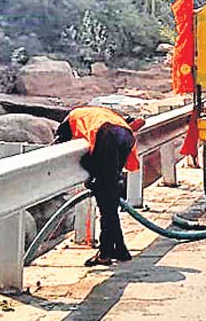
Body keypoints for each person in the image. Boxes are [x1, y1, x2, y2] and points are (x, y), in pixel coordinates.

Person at [54, 106, 145, 266]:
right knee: (110, 197)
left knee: (106, 200)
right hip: (126, 136)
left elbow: (62, 142)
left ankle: (105, 252)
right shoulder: (99, 113)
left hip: (106, 136)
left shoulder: (73, 118)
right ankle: (120, 249)